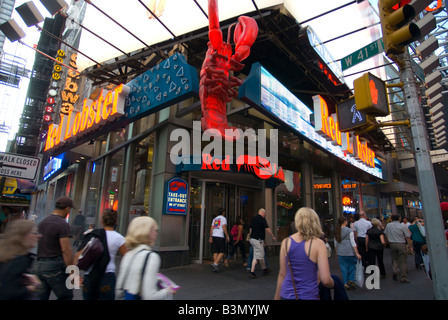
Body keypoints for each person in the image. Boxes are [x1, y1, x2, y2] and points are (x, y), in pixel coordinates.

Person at [274, 207, 334, 300]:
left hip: (287, 295)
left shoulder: (285, 242)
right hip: (309, 295)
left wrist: (276, 297)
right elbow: (325, 280)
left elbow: (282, 274)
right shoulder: (318, 244)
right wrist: (334, 284)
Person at [116, 216, 177, 300]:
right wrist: (168, 291)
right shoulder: (151, 257)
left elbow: (119, 291)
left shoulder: (128, 255)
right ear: (146, 232)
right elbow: (150, 296)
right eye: (153, 230)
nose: (156, 233)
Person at [74, 209, 128, 300]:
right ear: (116, 221)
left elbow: (76, 256)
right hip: (107, 277)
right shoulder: (119, 238)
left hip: (90, 276)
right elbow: (127, 258)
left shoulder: (92, 234)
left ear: (102, 221)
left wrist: (76, 276)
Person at [35, 196, 75, 300]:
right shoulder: (62, 224)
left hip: (39, 264)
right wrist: (72, 271)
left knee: (40, 297)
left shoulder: (42, 222)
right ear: (67, 209)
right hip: (55, 266)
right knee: (66, 296)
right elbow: (66, 250)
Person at [0, 220, 42, 300]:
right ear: (23, 236)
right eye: (34, 233)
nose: (39, 236)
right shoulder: (20, 260)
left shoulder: (7, 255)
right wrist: (32, 287)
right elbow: (7, 292)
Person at [334, 216, 361, 290]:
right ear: (345, 222)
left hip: (340, 252)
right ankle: (351, 280)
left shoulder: (337, 231)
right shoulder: (349, 231)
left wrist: (336, 252)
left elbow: (335, 243)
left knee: (343, 268)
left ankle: (345, 283)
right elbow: (353, 242)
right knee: (352, 266)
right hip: (349, 251)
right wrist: (357, 253)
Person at [248, 208, 276, 279]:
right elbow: (267, 228)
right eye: (265, 214)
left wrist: (250, 237)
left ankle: (264, 269)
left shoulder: (253, 219)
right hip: (258, 240)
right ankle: (252, 272)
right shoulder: (262, 219)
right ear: (263, 213)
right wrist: (272, 236)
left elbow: (250, 229)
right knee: (256, 257)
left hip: (252, 239)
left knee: (260, 254)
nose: (265, 215)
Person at [384, 214, 413, 283]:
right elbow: (407, 236)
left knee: (394, 259)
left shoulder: (388, 225)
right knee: (402, 260)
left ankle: (395, 270)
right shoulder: (402, 226)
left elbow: (386, 234)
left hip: (392, 244)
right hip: (401, 243)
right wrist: (409, 245)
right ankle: (403, 276)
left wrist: (388, 242)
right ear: (399, 219)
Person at [208, 208, 229, 272]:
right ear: (223, 213)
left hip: (214, 236)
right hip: (220, 236)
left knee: (215, 252)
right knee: (222, 251)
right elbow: (224, 227)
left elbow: (211, 228)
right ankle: (215, 263)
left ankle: (216, 267)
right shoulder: (223, 218)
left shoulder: (215, 219)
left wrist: (211, 237)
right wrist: (227, 236)